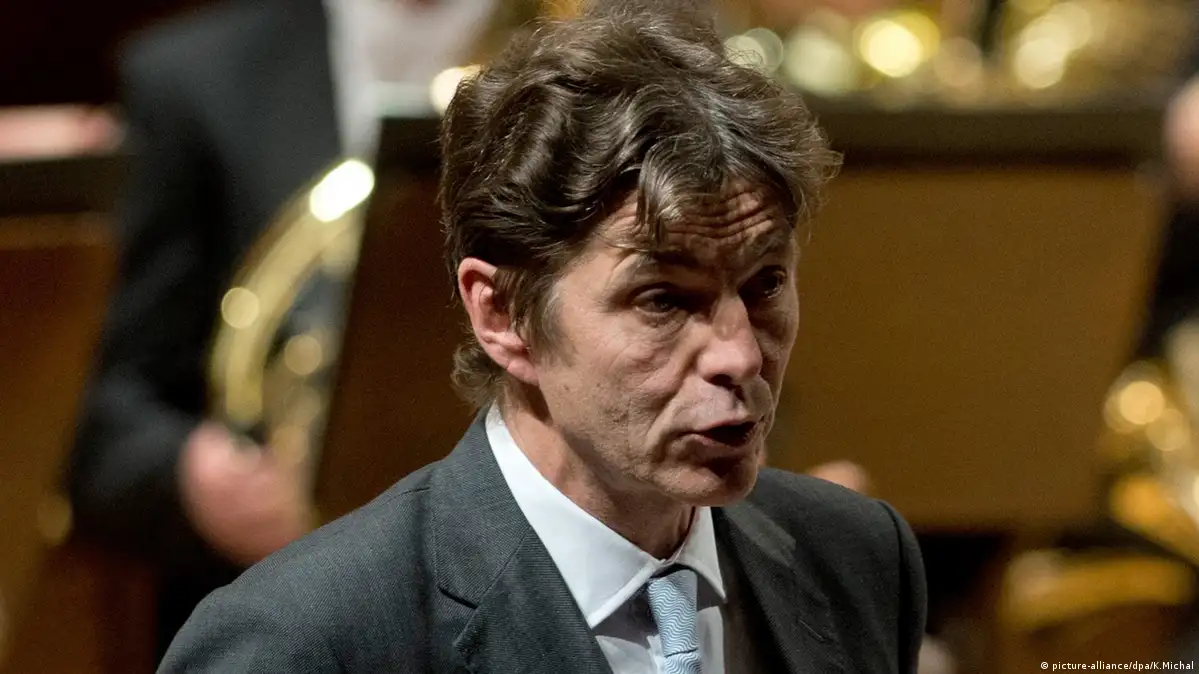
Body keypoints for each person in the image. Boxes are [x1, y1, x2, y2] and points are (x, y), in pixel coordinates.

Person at [157, 2, 927, 672]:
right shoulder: (300, 641)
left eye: (763, 285)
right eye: (662, 300)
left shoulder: (858, 556)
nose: (739, 356)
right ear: (501, 316)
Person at [66, 0, 535, 659]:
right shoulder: (196, 76)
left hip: (539, 592)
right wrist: (199, 479)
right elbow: (105, 416)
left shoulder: (601, 42)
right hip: (287, 615)